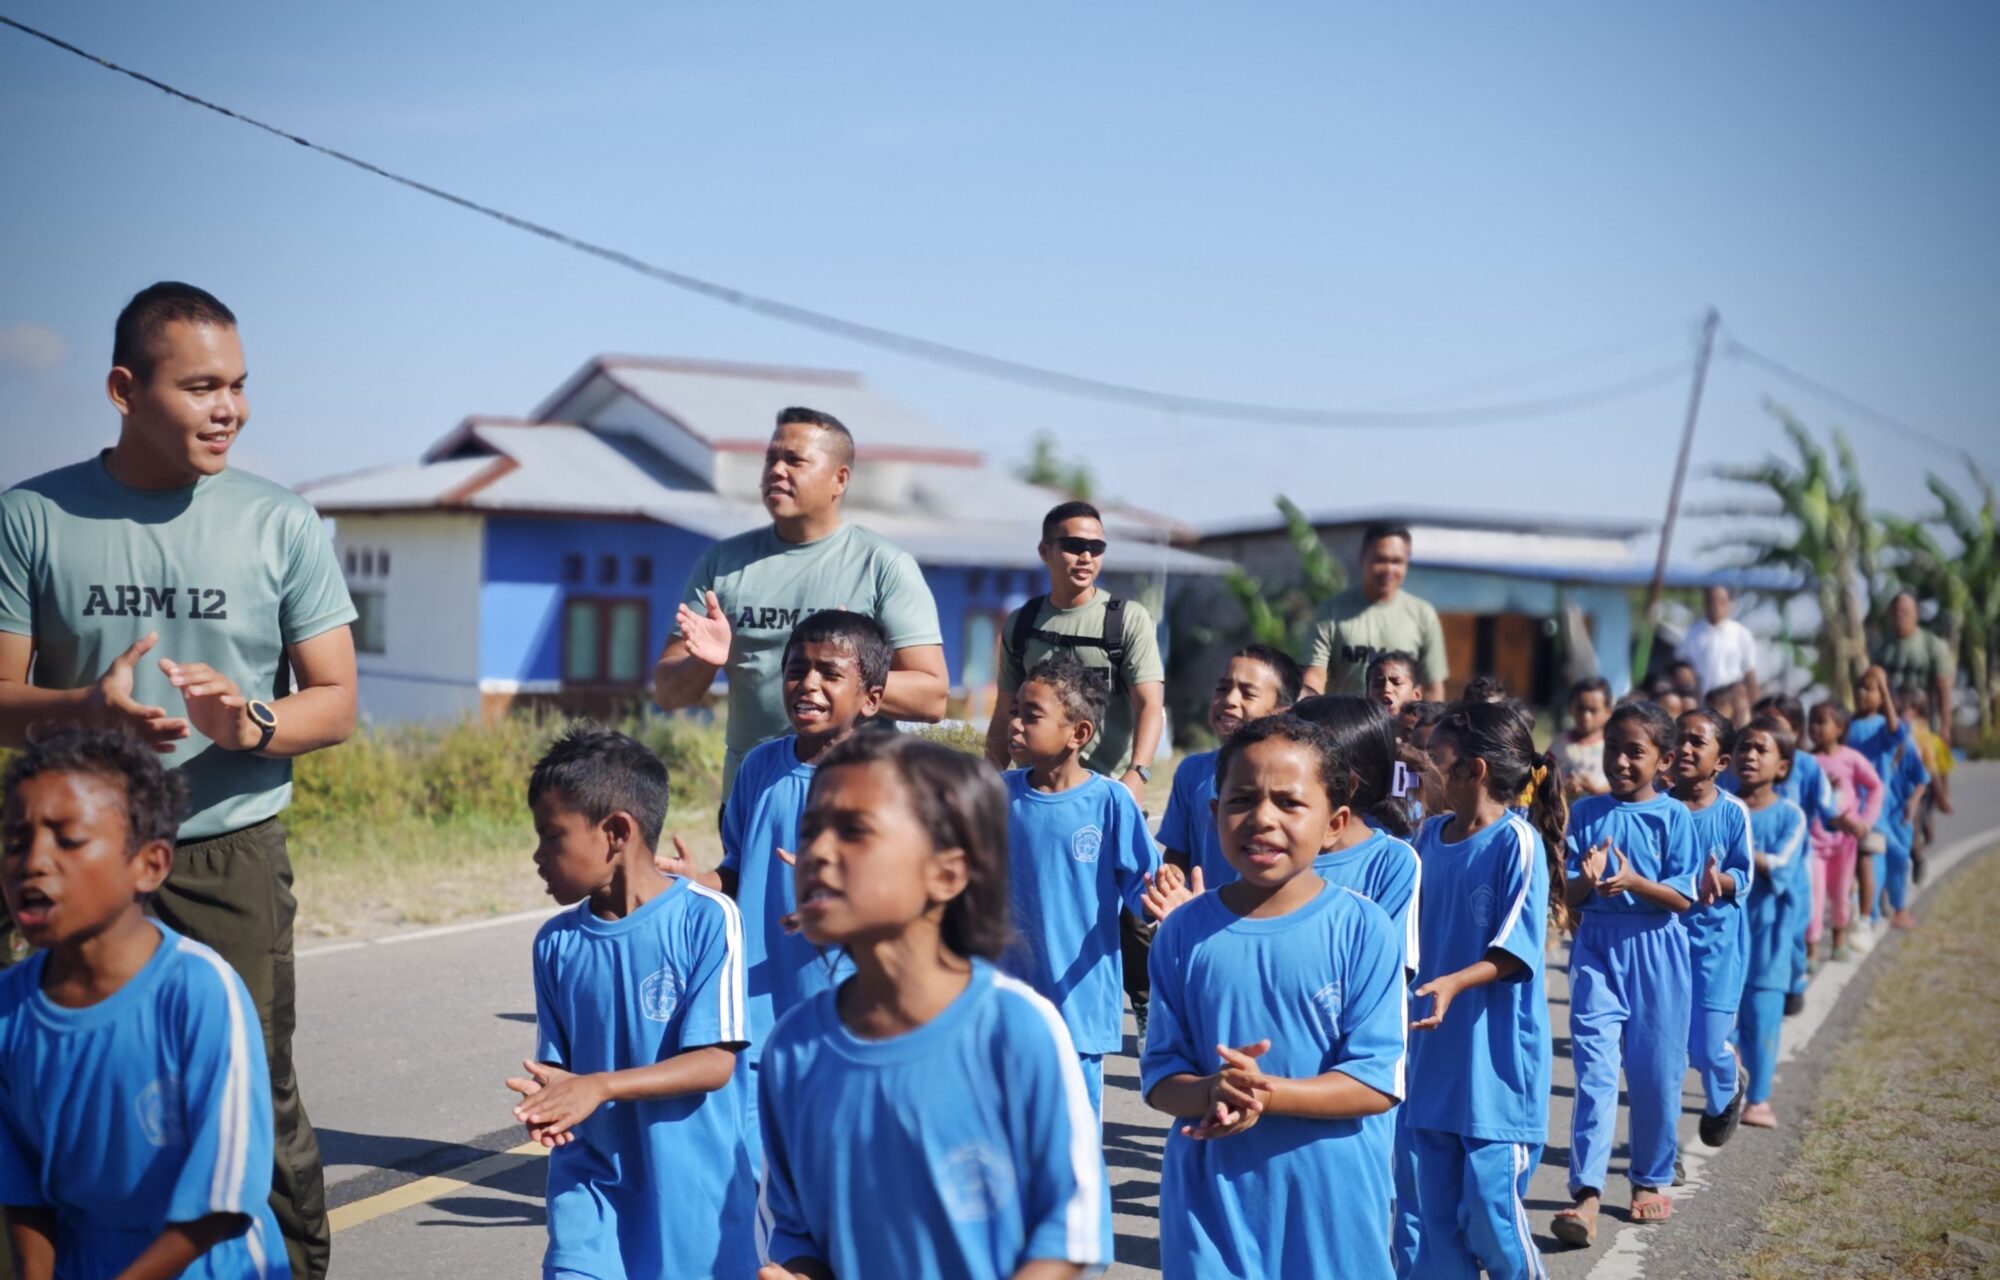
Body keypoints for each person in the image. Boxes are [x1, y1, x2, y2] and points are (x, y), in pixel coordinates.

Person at [0, 283, 355, 1279]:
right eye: (201, 385)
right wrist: (87, 711)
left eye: (238, 385)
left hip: (226, 846)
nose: (228, 408)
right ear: (124, 388)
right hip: (66, 849)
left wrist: (247, 717)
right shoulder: (31, 517)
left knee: (255, 1085)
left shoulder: (280, 522)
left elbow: (334, 700)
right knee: (32, 1084)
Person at [754, 732, 1111, 1280]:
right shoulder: (792, 1051)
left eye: (854, 831)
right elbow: (798, 1233)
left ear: (947, 872)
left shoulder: (1017, 1031)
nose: (817, 853)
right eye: (811, 831)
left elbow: (1067, 1233)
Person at [0, 728, 288, 1279]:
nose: (33, 861)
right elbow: (23, 1193)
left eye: (68, 839)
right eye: (15, 840)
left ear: (150, 864)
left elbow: (223, 1202)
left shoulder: (201, 993)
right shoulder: (9, 1011)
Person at [1142, 716, 1407, 1279]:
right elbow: (1162, 1081)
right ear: (1212, 815)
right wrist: (1210, 1090)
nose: (1262, 818)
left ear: (1334, 823)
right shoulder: (1182, 932)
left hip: (1330, 1210)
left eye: (1289, 803)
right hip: (1209, 1207)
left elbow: (1376, 1083)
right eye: (1242, 799)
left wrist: (1266, 1092)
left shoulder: (1364, 929)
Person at [509, 725, 754, 1280]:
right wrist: (548, 1102)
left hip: (694, 1203)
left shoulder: (708, 918)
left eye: (552, 837)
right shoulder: (555, 942)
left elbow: (716, 1064)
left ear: (616, 830)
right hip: (590, 1195)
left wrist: (599, 1086)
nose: (538, 855)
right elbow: (561, 1068)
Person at [656, 611, 888, 1169]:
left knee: (835, 1173)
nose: (808, 684)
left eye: (830, 673)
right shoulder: (760, 767)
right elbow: (739, 868)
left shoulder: (887, 781)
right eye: (796, 670)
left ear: (871, 699)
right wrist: (701, 883)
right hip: (755, 1016)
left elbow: (905, 899)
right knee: (759, 1177)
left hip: (846, 1019)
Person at [654, 407, 948, 800]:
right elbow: (669, 694)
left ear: (839, 479)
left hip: (854, 798)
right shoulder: (722, 564)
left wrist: (845, 676)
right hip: (753, 799)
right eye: (771, 459)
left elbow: (932, 696)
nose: (776, 470)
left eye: (795, 460)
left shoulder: (882, 565)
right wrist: (704, 661)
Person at [1405, 701, 1565, 1280]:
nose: (1425, 772)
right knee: (1432, 1222)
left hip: (1495, 1072)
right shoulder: (1423, 838)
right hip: (1429, 1066)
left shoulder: (1515, 843)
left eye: (1436, 760)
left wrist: (1453, 981)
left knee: (1489, 1215)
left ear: (1473, 770)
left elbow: (1514, 949)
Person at [1289, 694, 1425, 1278]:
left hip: (1348, 1093)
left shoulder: (1393, 863)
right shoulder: (1270, 851)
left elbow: (1376, 978)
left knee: (1344, 1246)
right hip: (1267, 1078)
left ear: (1348, 779)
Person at [1552, 702, 1698, 1242]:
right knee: (1593, 1073)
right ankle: (1586, 1196)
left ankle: (1648, 1180)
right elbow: (1565, 894)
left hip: (1657, 951)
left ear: (1663, 762)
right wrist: (1586, 882)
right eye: (1613, 748)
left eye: (1635, 752)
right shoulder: (1586, 811)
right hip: (1596, 949)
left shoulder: (1673, 816)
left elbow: (1682, 898)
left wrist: (1635, 881)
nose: (1620, 761)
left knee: (1656, 1074)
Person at [1000, 652, 1162, 1115]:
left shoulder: (1110, 802)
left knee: (1074, 1152)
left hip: (1078, 1010)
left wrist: (1162, 897)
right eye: (1015, 712)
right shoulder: (996, 795)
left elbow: (1143, 888)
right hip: (1008, 1007)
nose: (1015, 724)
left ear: (1080, 734)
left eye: (1031, 716)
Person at [985, 501, 1166, 807]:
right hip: (1032, 798)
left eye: (1096, 547)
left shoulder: (1126, 621)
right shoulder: (1022, 623)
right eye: (1074, 546)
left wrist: (1137, 774)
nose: (1086, 557)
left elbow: (1150, 705)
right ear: (1045, 551)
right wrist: (985, 783)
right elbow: (1005, 711)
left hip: (1106, 795)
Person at [1669, 709, 1754, 1149]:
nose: (1685, 748)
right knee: (1665, 1057)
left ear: (1720, 762)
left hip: (1716, 953)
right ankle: (1665, 1154)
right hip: (1663, 949)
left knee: (1705, 1049)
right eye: (1680, 738)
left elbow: (1745, 876)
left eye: (1697, 742)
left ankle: (1727, 1085)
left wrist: (1717, 881)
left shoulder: (1732, 813)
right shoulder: (1657, 806)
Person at [1157, 645, 1304, 890]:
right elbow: (1177, 854)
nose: (1229, 700)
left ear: (1282, 711)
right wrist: (1169, 884)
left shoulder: (1298, 776)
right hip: (1207, 918)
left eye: (1247, 693)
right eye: (1222, 689)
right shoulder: (1192, 771)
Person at [1730, 716, 1808, 1131]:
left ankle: (1758, 1098)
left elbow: (1780, 864)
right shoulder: (1721, 804)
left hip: (1769, 938)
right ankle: (1724, 1092)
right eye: (1744, 747)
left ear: (1782, 766)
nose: (1751, 756)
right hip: (1722, 938)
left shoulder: (1791, 817)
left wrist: (1740, 852)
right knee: (1720, 1021)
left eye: (1762, 749)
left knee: (1762, 1019)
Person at [1744, 693, 1837, 1017]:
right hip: (1749, 876)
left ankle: (1794, 980)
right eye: (1760, 724)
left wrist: (1846, 820)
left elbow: (1828, 806)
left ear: (1794, 730)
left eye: (1776, 725)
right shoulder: (1743, 766)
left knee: (1793, 932)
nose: (1765, 731)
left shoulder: (1808, 766)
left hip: (1793, 870)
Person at [1301, 525, 1448, 700]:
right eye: (1380, 560)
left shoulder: (1423, 615)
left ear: (1407, 562)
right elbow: (1314, 677)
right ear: (1362, 557)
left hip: (1400, 726)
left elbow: (1433, 688)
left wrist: (1426, 725)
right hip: (1346, 725)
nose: (1388, 569)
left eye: (1396, 561)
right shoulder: (1331, 611)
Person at [1846, 667, 1927, 934]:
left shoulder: (1885, 728)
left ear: (1883, 696)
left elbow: (1896, 732)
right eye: (1860, 687)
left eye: (1870, 688)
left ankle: (1895, 907)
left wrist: (1884, 688)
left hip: (1881, 809)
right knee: (1864, 860)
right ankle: (1866, 913)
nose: (1862, 693)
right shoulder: (1849, 726)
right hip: (1849, 806)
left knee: (1895, 858)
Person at [1804, 702, 1881, 966]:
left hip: (1844, 843)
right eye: (1811, 721)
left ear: (1840, 728)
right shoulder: (1806, 761)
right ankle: (1811, 950)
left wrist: (1865, 821)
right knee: (1813, 898)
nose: (1815, 727)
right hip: (1813, 843)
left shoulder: (1851, 758)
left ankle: (1838, 939)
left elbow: (1875, 787)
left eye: (1822, 722)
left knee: (1840, 894)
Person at [1872, 591, 1954, 738]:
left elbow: (1944, 689)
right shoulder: (1881, 648)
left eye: (1905, 612)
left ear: (1916, 613)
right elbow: (1872, 686)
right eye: (1896, 612)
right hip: (1889, 724)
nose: (1900, 616)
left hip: (1923, 724)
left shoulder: (1933, 645)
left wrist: (1945, 727)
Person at [1898, 685, 1953, 871]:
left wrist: (1941, 796)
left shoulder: (1923, 734)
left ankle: (1915, 855)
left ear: (1918, 711)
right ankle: (1912, 855)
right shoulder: (1896, 731)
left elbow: (1935, 769)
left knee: (1926, 830)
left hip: (1923, 788)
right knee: (1913, 824)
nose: (1903, 713)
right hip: (1903, 787)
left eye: (1908, 708)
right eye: (1900, 709)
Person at [1674, 587, 1758, 702]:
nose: (1716, 606)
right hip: (1701, 700)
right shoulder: (1693, 633)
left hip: (1731, 702)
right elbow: (1681, 666)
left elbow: (1749, 672)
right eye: (1712, 601)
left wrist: (1754, 704)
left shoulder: (1741, 633)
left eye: (1721, 602)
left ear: (1729, 604)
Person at [1560, 677, 1613, 800]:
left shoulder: (1612, 746)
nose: (1586, 716)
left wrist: (1596, 789)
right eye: (1581, 708)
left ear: (1608, 711)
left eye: (1593, 710)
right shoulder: (1560, 743)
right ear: (1570, 709)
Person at [1366, 650, 1424, 721]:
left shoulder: (1430, 730)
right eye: (1377, 685)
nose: (1386, 689)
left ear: (1417, 695)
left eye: (1397, 683)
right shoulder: (1354, 731)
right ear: (1367, 695)